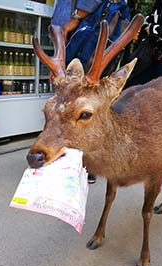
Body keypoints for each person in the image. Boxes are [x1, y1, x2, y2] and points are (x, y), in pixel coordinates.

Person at [51, 0, 104, 185]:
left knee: (80, 110)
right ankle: (64, 158)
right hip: (71, 36)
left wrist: (76, 17)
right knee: (65, 109)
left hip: (81, 33)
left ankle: (85, 164)